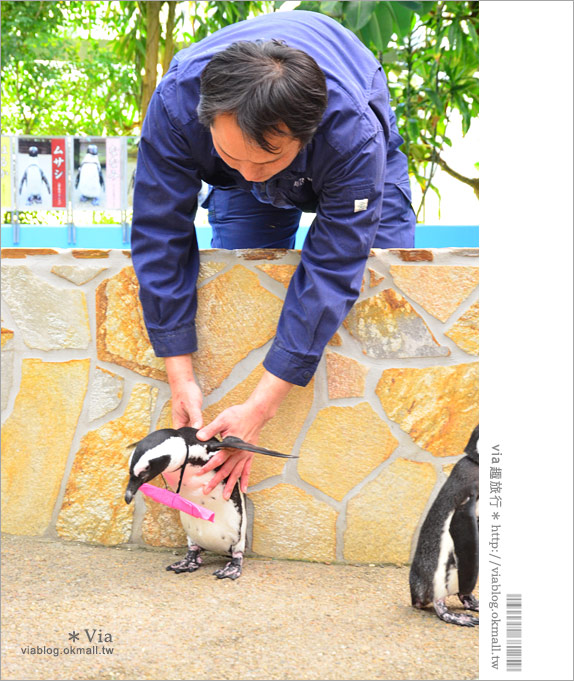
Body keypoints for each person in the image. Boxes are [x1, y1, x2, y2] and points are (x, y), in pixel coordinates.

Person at [131, 10, 416, 501]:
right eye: (232, 155)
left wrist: (261, 409)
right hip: (237, 139)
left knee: (383, 280)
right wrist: (180, 374)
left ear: (307, 134)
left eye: (265, 161)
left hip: (346, 143)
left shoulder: (351, 135)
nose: (250, 173)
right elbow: (160, 231)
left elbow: (332, 268)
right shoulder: (178, 104)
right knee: (246, 271)